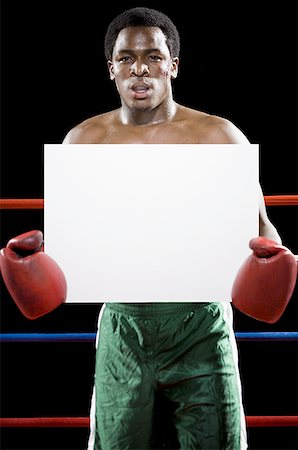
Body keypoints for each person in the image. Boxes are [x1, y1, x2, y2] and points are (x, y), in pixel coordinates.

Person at [1, 6, 295, 450]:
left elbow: (262, 228)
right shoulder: (82, 141)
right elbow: (69, 249)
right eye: (126, 58)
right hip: (124, 325)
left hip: (201, 323)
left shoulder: (219, 136)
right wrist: (32, 262)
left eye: (154, 56)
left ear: (173, 65)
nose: (140, 68)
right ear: (111, 69)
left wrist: (271, 259)